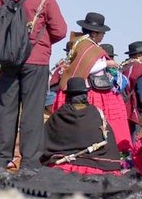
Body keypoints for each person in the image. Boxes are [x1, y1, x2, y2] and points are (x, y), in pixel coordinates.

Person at [0, 0, 67, 173]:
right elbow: (60, 30)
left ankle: (0, 161)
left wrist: (11, 44)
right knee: (32, 112)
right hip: (36, 61)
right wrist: (38, 41)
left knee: (5, 110)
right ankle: (29, 163)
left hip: (8, 61)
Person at [55, 12, 131, 154]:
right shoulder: (87, 46)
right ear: (95, 33)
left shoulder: (80, 43)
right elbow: (88, 68)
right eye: (102, 33)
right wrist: (107, 63)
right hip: (91, 91)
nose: (103, 36)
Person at [43, 77, 123, 175]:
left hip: (63, 167)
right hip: (97, 168)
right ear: (85, 95)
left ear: (68, 95)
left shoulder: (59, 115)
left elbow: (43, 143)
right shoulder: (96, 114)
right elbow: (110, 145)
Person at [120, 41, 142, 131]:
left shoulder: (123, 67)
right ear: (139, 55)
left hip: (120, 108)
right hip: (133, 112)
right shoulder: (140, 69)